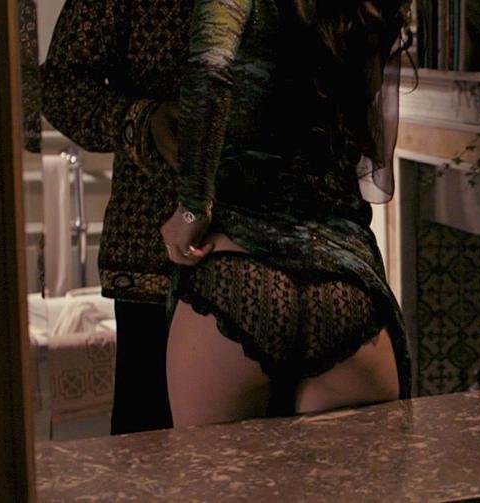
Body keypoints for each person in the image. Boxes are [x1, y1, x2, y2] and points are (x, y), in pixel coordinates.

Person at [158, 0, 411, 427]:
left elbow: (210, 71)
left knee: (211, 470)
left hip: (239, 275)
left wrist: (192, 207)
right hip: (346, 286)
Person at [42, 0, 193, 435]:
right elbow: (60, 85)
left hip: (283, 237)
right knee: (151, 443)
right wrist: (141, 122)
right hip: (154, 247)